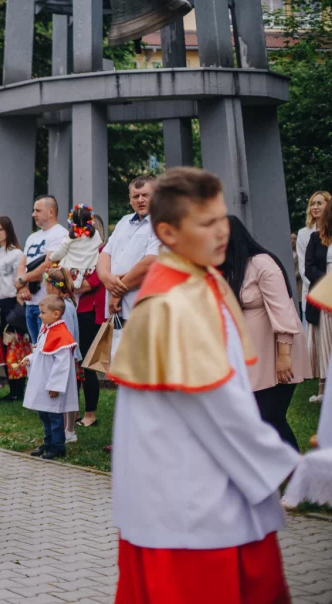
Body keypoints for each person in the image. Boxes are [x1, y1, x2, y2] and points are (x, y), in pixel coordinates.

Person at [108, 167, 301, 603]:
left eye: (222, 218)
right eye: (206, 222)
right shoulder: (175, 305)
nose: (222, 231)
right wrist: (295, 469)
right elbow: (218, 411)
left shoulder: (196, 280)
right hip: (192, 502)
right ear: (168, 233)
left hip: (199, 485)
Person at [219, 216, 310, 450]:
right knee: (257, 420)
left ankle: (293, 467)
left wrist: (284, 356)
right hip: (252, 359)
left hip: (278, 352)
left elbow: (283, 310)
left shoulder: (262, 263)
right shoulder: (226, 270)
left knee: (270, 418)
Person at [21, 295, 78, 460]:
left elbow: (62, 365)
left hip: (52, 385)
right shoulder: (46, 330)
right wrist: (30, 359)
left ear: (56, 314)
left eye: (43, 313)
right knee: (44, 414)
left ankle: (58, 446)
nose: (40, 316)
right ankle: (48, 443)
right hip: (43, 379)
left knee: (54, 416)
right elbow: (41, 352)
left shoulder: (61, 335)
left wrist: (55, 386)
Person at [96, 176, 160, 322]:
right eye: (135, 196)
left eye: (145, 195)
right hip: (117, 311)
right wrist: (105, 277)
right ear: (130, 199)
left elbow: (150, 263)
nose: (140, 200)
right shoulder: (124, 221)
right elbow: (105, 254)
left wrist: (117, 292)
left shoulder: (162, 223)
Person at [16, 196, 69, 343]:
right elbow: (22, 265)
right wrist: (22, 287)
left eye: (38, 210)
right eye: (34, 210)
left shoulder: (60, 234)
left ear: (51, 212)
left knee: (48, 347)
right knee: (35, 348)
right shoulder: (32, 237)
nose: (33, 214)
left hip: (50, 305)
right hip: (30, 303)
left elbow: (49, 265)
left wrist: (23, 280)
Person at [43, 267, 83, 444]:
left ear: (52, 285)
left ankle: (69, 430)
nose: (44, 287)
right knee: (65, 393)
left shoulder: (64, 307)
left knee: (69, 393)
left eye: (46, 283)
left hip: (67, 356)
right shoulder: (60, 304)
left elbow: (67, 334)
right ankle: (66, 429)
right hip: (63, 355)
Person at [0, 216, 24, 402]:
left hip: (12, 300)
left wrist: (19, 302)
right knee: (2, 345)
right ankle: (10, 386)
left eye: (0, 229)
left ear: (8, 230)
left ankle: (18, 389)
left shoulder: (17, 253)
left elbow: (20, 279)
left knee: (14, 345)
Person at [74, 214, 107, 428]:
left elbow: (90, 283)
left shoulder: (102, 252)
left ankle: (90, 414)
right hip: (77, 311)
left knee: (87, 364)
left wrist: (65, 283)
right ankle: (75, 410)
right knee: (78, 362)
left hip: (92, 312)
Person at [305, 201, 332, 404]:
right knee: (326, 341)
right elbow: (309, 268)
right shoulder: (317, 238)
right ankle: (325, 389)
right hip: (326, 292)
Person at [50, 204, 102, 290]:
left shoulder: (71, 235)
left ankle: (74, 282)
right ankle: (78, 279)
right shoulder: (95, 234)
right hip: (89, 270)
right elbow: (99, 244)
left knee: (52, 272)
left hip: (71, 271)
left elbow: (60, 252)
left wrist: (52, 257)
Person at [297, 191, 330, 318]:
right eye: (312, 204)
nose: (315, 207)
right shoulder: (303, 233)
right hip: (314, 289)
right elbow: (303, 267)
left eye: (319, 203)